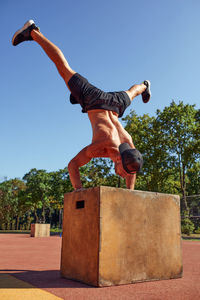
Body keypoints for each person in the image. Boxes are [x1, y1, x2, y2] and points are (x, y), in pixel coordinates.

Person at [12, 20, 151, 191]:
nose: (123, 175)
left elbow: (132, 170)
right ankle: (32, 32)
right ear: (120, 160)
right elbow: (73, 166)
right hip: (93, 100)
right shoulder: (102, 147)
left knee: (132, 93)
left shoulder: (130, 148)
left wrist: (130, 193)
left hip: (115, 104)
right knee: (63, 68)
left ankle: (145, 85)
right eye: (124, 173)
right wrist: (79, 191)